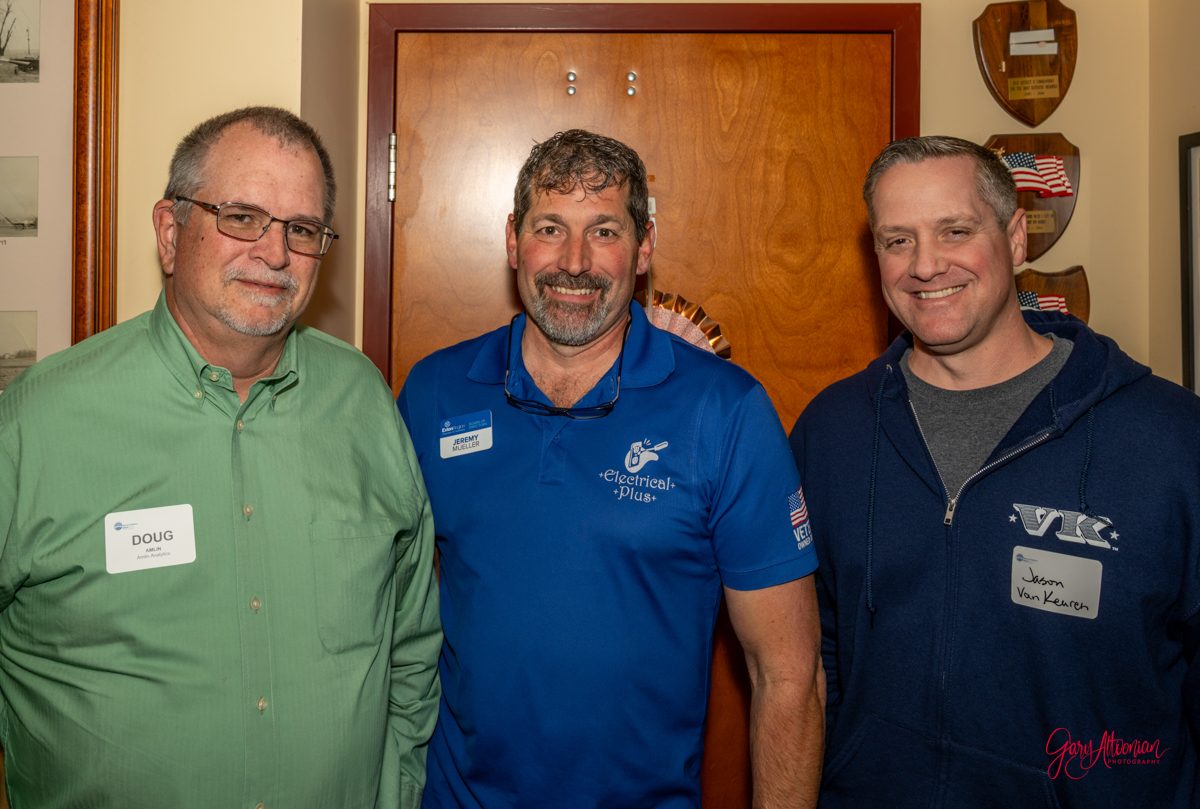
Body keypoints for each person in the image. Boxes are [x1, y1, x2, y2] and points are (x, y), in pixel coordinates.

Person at [0, 106, 441, 808]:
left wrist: (398, 790)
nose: (275, 254)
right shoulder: (35, 425)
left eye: (302, 230)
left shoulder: (363, 401)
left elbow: (411, 643)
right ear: (170, 233)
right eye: (241, 217)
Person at [397, 129, 824, 808]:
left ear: (644, 246)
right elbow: (389, 617)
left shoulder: (724, 409)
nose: (574, 262)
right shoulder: (435, 392)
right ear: (512, 240)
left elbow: (788, 673)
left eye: (603, 231)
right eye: (549, 229)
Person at [790, 135, 1200, 808]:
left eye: (955, 231)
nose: (926, 265)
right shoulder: (832, 431)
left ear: (1014, 239)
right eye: (897, 240)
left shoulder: (1168, 438)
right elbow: (811, 655)